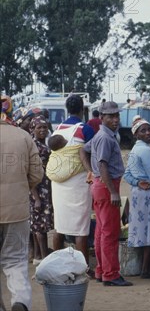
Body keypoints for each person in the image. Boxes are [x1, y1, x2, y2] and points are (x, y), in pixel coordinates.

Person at [80, 101, 132, 286]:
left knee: (102, 231)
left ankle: (103, 271)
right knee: (110, 232)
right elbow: (102, 164)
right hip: (107, 186)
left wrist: (91, 172)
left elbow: (83, 151)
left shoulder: (102, 135)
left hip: (101, 185)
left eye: (117, 115)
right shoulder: (105, 137)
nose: (115, 119)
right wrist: (113, 192)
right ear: (101, 118)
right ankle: (111, 274)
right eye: (110, 116)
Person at [0, 113, 43, 311]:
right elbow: (36, 173)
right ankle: (20, 302)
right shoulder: (22, 136)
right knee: (15, 260)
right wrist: (20, 190)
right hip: (16, 212)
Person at [51, 94, 95, 268]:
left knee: (60, 225)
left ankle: (56, 264)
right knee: (80, 227)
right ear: (82, 108)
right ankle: (82, 267)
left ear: (67, 108)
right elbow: (92, 152)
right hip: (78, 181)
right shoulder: (85, 129)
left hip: (59, 183)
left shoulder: (57, 129)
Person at [123, 118, 150, 279]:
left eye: (148, 129)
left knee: (140, 230)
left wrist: (137, 182)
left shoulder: (134, 150)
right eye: (143, 131)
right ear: (136, 134)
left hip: (137, 192)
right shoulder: (146, 150)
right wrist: (148, 182)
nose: (147, 133)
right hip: (147, 194)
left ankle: (145, 266)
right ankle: (146, 269)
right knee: (148, 230)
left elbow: (127, 174)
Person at [28, 116, 54, 264]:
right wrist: (36, 198)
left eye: (45, 127)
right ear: (32, 129)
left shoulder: (44, 144)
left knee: (39, 224)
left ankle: (38, 256)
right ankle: (45, 259)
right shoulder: (34, 147)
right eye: (39, 127)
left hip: (45, 188)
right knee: (40, 226)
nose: (43, 130)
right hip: (38, 190)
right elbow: (29, 173)